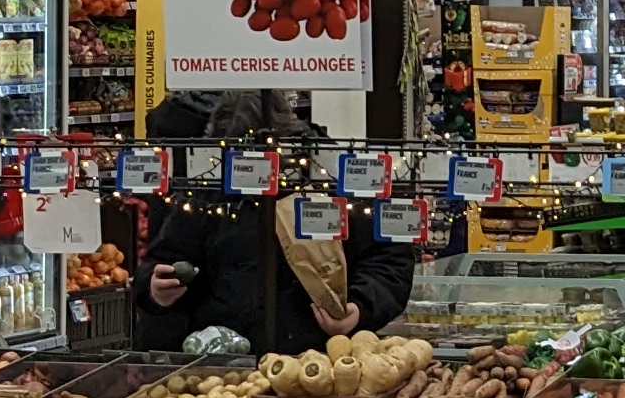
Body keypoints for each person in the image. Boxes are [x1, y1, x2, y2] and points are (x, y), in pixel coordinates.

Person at [133, 91, 421, 357]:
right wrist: (155, 289)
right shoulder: (209, 191)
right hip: (228, 368)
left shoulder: (334, 180)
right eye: (240, 159)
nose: (253, 169)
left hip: (322, 362)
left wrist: (359, 307)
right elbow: (166, 259)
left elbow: (388, 259)